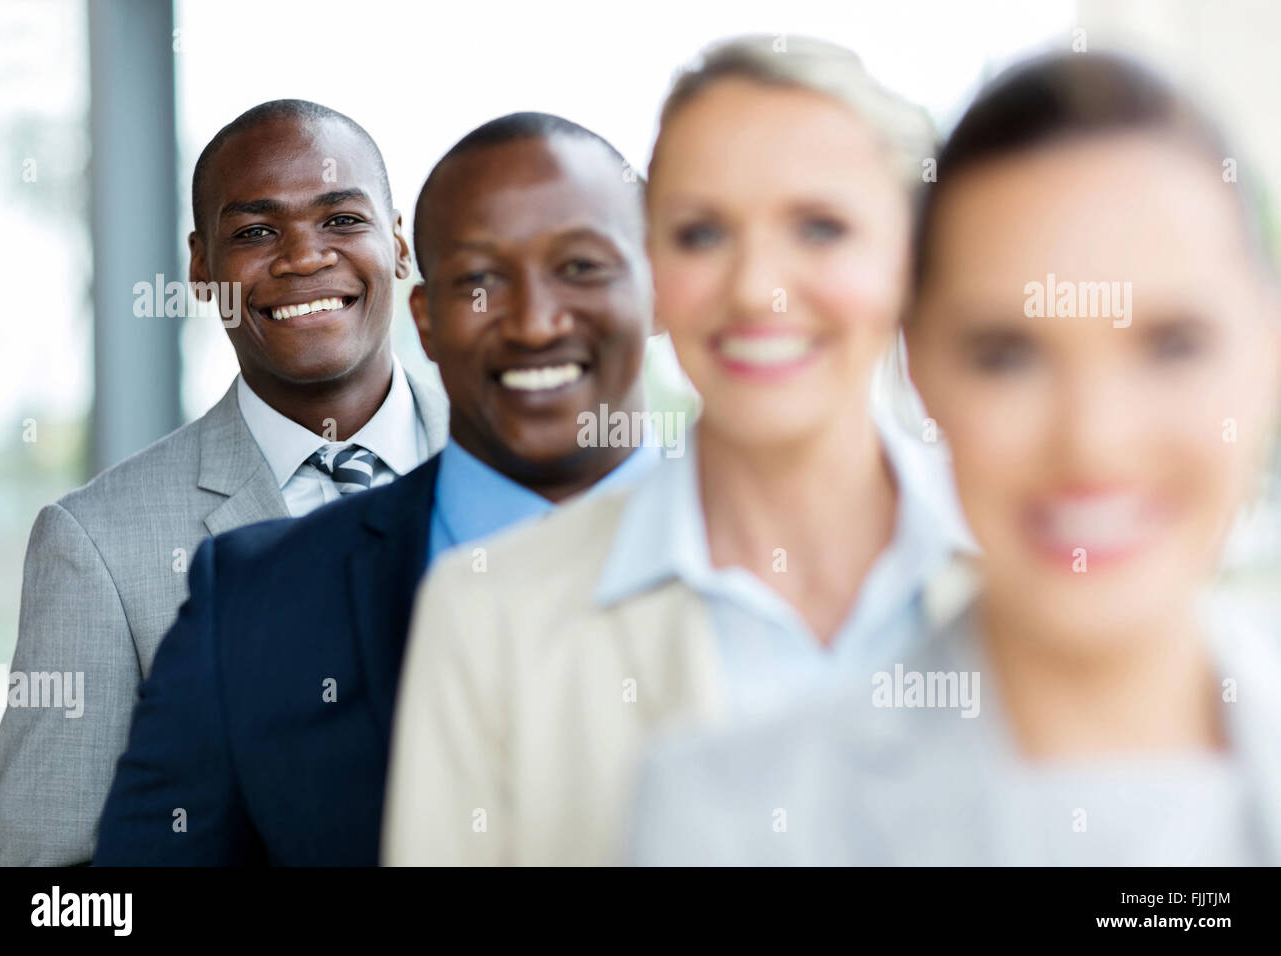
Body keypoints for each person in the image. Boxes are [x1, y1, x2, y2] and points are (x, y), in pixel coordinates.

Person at [630, 52, 1281, 866]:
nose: (1093, 440)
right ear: (920, 367)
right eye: (1007, 355)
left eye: (1171, 345)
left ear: (1267, 352)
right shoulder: (721, 822)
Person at [382, 35, 971, 866]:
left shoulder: (1053, 565)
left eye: (819, 227)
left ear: (910, 259)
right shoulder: (487, 617)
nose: (756, 287)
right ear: (653, 269)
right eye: (702, 234)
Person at [93, 113, 659, 865]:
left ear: (663, 290)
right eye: (481, 280)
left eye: (583, 266)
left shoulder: (814, 565)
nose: (534, 322)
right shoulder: (249, 608)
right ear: (426, 320)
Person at [0, 99, 447, 866]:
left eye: (341, 220)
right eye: (256, 232)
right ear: (201, 268)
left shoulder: (517, 472)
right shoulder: (97, 545)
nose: (304, 258)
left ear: (397, 243)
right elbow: (48, 885)